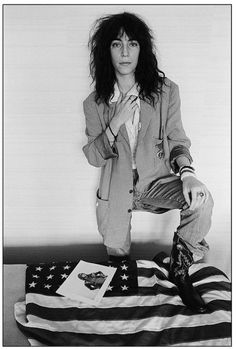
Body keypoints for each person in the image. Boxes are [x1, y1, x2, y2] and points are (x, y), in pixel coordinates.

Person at [82, 12, 214, 313]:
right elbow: (93, 156)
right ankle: (121, 279)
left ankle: (179, 271)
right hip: (116, 189)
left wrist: (188, 173)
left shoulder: (167, 92)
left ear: (143, 49)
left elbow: (177, 139)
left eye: (133, 43)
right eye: (117, 44)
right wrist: (115, 123)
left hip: (155, 184)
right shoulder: (94, 103)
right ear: (107, 50)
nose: (125, 52)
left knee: (202, 199)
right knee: (117, 261)